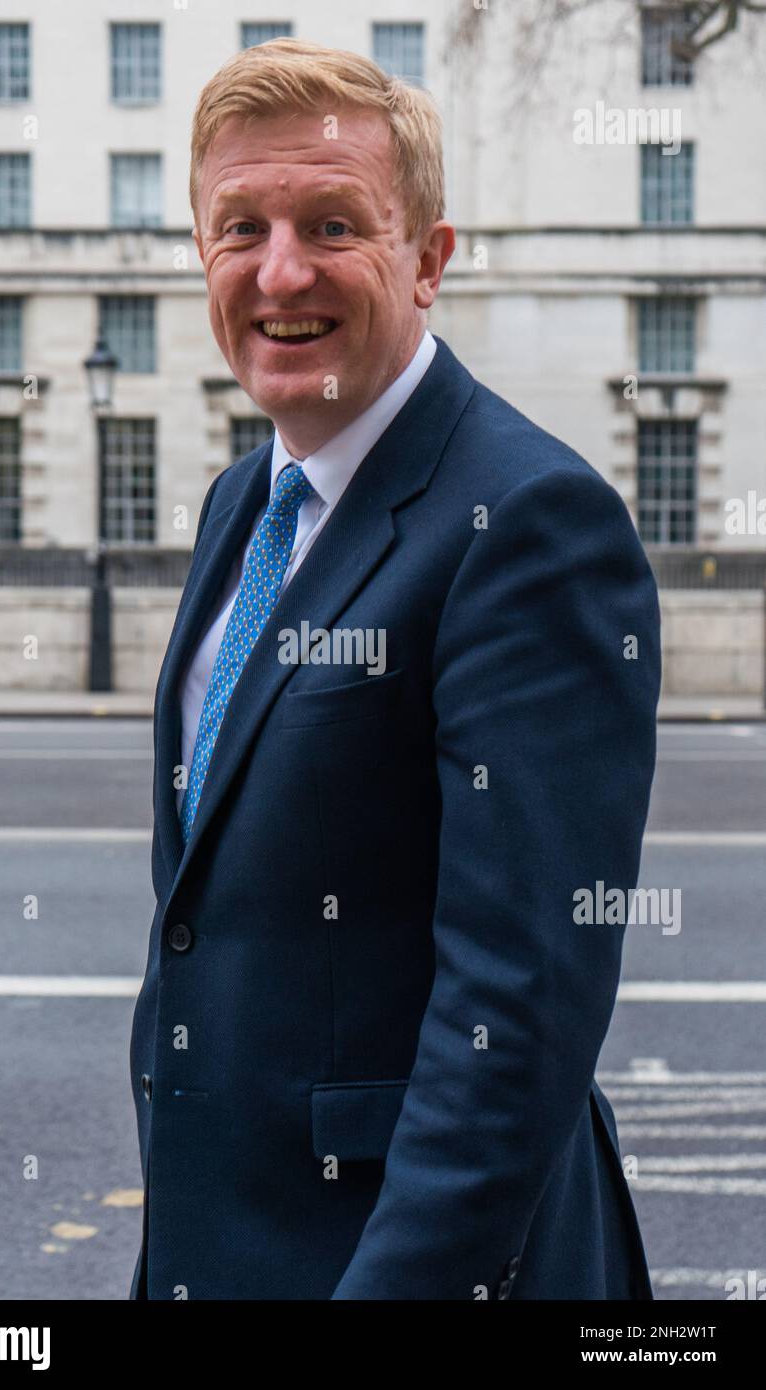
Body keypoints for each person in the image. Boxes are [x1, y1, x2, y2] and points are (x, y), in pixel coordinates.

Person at [129, 37, 660, 1300]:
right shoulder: (241, 503)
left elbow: (517, 1011)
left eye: (333, 224)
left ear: (428, 259)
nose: (281, 270)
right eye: (238, 226)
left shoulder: (529, 521)